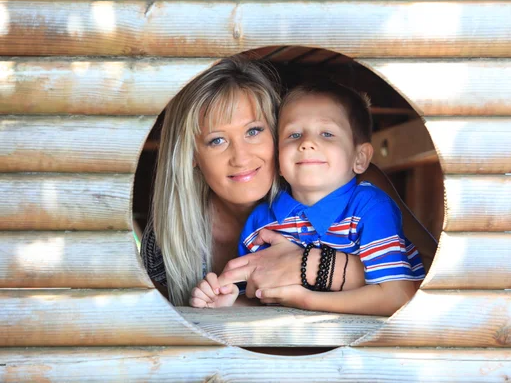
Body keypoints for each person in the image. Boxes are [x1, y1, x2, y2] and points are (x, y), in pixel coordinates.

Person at [141, 55, 436, 309]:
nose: (241, 157)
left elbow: (432, 279)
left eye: (254, 131)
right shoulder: (169, 237)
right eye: (217, 140)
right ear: (192, 155)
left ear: (275, 132)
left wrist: (309, 265)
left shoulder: (355, 186)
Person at [193, 81, 425, 316]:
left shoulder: (371, 208)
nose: (306, 143)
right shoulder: (260, 223)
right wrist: (229, 302)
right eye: (294, 135)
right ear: (278, 159)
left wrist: (307, 300)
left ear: (360, 158)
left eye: (327, 133)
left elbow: (398, 296)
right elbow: (259, 297)